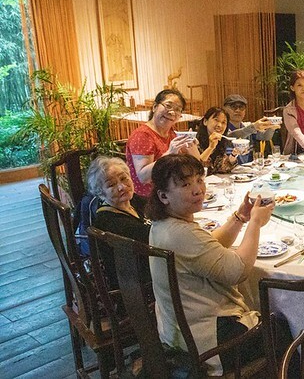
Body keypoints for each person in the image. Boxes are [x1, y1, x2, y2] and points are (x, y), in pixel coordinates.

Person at [148, 154, 290, 375]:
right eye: (185, 185)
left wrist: (240, 217)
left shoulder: (163, 225)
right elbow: (238, 270)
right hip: (207, 341)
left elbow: (208, 247)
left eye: (199, 180)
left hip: (177, 330)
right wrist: (255, 222)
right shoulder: (182, 234)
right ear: (163, 196)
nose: (198, 189)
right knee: (284, 327)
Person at [87, 156, 151, 291]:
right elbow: (154, 237)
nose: (122, 187)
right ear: (100, 192)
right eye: (111, 185)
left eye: (123, 178)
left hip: (149, 268)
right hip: (136, 288)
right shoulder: (110, 221)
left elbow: (159, 208)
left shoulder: (132, 201)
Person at [126, 89, 200, 197]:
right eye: (168, 106)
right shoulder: (142, 135)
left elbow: (195, 165)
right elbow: (143, 177)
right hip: (148, 199)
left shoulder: (172, 133)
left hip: (169, 194)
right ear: (155, 107)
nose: (172, 112)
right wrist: (169, 153)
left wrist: (192, 148)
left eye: (178, 109)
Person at [223, 94, 280, 162]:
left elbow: (265, 137)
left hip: (248, 167)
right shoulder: (222, 129)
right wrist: (254, 127)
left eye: (241, 107)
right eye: (233, 107)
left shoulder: (247, 126)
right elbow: (233, 136)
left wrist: (271, 127)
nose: (238, 110)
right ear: (225, 109)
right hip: (229, 167)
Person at [195, 107, 242, 174]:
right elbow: (195, 168)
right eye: (216, 120)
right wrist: (210, 148)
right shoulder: (194, 142)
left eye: (223, 122)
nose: (220, 125)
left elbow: (222, 168)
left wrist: (234, 155)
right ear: (205, 121)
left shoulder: (221, 141)